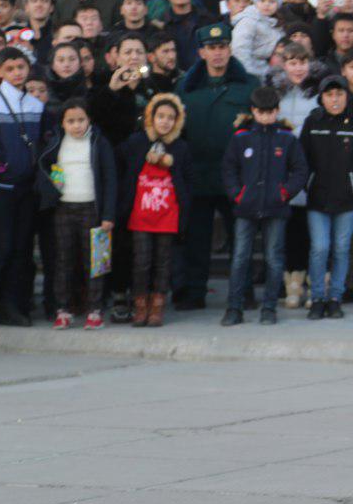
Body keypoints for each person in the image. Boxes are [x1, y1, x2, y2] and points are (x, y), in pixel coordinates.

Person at [173, 23, 259, 310]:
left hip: (235, 176)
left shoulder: (249, 85)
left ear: (230, 48)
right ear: (201, 52)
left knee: (241, 238)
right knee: (197, 239)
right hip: (197, 174)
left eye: (222, 46)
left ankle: (243, 292)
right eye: (211, 48)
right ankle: (194, 292)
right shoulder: (185, 87)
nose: (218, 53)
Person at [0, 48, 49, 333]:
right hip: (0, 187)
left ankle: (9, 306)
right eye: (11, 68)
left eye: (21, 67)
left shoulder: (36, 105)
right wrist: (0, 165)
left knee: (20, 249)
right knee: (0, 248)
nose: (17, 72)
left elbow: (43, 143)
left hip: (27, 188)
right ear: (0, 71)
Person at [221, 85, 309, 326]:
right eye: (261, 112)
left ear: (277, 111)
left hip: (276, 208)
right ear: (253, 111)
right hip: (245, 208)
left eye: (270, 112)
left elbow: (300, 170)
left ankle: (268, 307)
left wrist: (284, 192)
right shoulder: (241, 137)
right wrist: (237, 195)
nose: (266, 116)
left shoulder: (286, 138)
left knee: (274, 258)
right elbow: (229, 169)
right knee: (240, 257)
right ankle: (234, 307)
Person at [37, 97, 117, 331]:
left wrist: (108, 214)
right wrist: (52, 186)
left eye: (81, 120)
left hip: (93, 209)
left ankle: (95, 310)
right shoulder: (56, 143)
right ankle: (63, 310)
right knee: (63, 261)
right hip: (64, 209)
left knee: (96, 263)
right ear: (62, 123)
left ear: (89, 119)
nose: (77, 125)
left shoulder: (99, 142)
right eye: (70, 121)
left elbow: (110, 180)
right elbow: (47, 168)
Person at [119, 93, 191, 328]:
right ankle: (140, 304)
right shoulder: (137, 142)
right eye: (160, 116)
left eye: (170, 117)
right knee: (141, 261)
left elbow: (187, 181)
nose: (165, 121)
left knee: (163, 261)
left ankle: (157, 306)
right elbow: (123, 169)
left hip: (167, 216)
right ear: (151, 117)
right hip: (140, 215)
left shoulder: (180, 148)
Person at [300, 75, 353, 319]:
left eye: (339, 93)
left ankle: (335, 297)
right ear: (322, 98)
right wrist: (307, 182)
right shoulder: (312, 122)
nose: (335, 99)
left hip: (346, 199)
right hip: (317, 198)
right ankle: (317, 297)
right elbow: (302, 157)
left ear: (346, 96)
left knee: (340, 249)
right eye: (329, 94)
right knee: (320, 248)